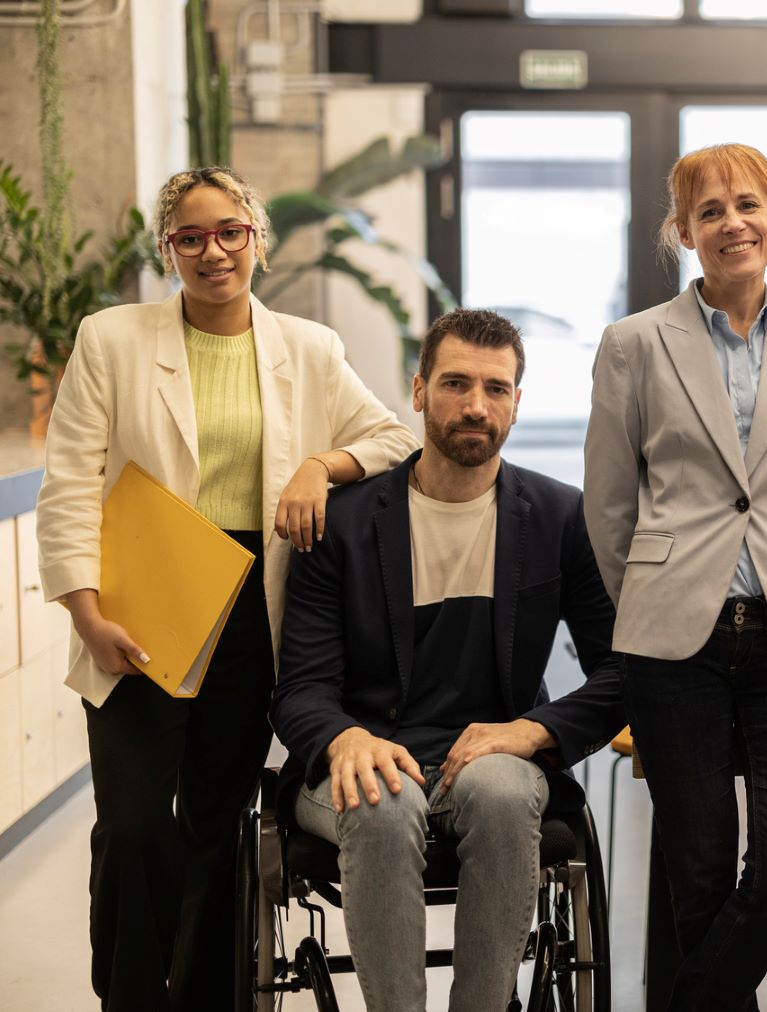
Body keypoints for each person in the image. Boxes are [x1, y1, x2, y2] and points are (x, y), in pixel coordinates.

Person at [34, 166, 417, 1012]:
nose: (213, 252)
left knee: (217, 825)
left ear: (257, 241)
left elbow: (392, 437)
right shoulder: (112, 339)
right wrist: (86, 615)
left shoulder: (308, 350)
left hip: (251, 611)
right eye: (191, 237)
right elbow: (68, 486)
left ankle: (208, 998)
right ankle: (130, 996)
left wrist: (321, 463)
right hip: (140, 604)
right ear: (167, 249)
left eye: (229, 233)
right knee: (134, 828)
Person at [270, 307, 623, 1011]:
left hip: (493, 755)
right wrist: (344, 739)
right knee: (378, 796)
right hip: (365, 749)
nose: (474, 405)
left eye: (496, 389)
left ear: (517, 404)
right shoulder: (340, 525)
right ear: (418, 390)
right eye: (456, 383)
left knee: (496, 790)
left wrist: (534, 731)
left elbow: (620, 670)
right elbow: (301, 687)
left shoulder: (559, 519)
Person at [583, 142, 767, 1009]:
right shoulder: (634, 344)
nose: (731, 222)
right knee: (696, 872)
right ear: (683, 233)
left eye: (747, 204)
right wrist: (648, 599)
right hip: (674, 638)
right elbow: (609, 502)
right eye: (709, 212)